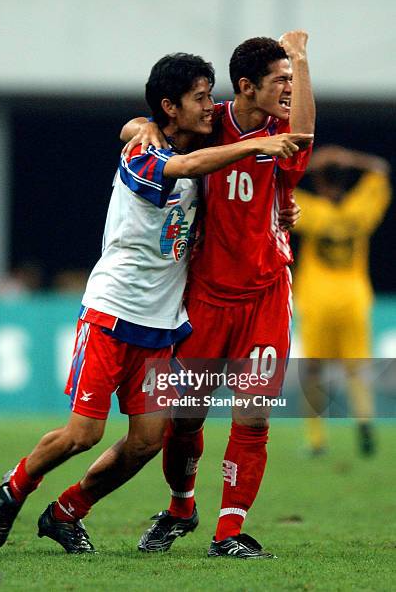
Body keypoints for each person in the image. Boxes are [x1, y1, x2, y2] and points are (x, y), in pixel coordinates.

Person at [0, 52, 311, 554]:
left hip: (164, 321)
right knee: (84, 434)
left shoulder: (203, 140)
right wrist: (250, 143)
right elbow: (183, 164)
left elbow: (236, 174)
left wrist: (280, 201)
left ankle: (67, 511)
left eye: (209, 95)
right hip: (113, 311)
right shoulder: (144, 154)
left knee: (148, 440)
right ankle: (15, 487)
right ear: (169, 107)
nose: (210, 105)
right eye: (200, 98)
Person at [122, 30, 315, 559]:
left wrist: (300, 57)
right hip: (205, 295)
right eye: (282, 80)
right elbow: (152, 133)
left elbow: (302, 134)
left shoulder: (283, 133)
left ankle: (229, 531)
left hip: (267, 294)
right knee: (184, 418)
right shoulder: (211, 125)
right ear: (247, 87)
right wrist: (138, 125)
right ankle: (181, 507)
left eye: (294, 81)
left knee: (253, 416)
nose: (290, 89)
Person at [292, 145, 391, 456]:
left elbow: (274, 187)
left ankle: (317, 439)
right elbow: (380, 169)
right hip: (353, 297)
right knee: (356, 368)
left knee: (312, 371)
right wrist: (354, 159)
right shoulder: (359, 211)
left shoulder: (311, 211)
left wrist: (309, 166)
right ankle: (364, 421)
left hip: (318, 299)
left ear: (320, 182)